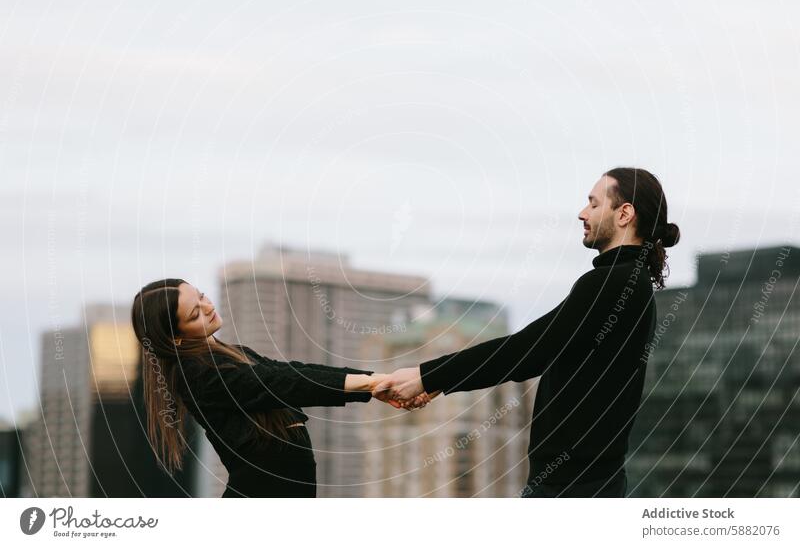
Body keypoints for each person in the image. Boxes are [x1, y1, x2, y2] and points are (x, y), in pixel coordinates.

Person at [374, 167, 681, 497]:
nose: (582, 213)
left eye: (593, 204)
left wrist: (426, 376)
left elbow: (526, 350)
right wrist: (437, 382)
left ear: (624, 214)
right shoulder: (629, 283)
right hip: (586, 485)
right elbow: (544, 348)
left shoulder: (613, 283)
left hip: (572, 490)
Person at [131, 278, 413, 498]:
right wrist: (375, 383)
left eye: (202, 296)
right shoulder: (197, 376)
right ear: (175, 338)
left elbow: (290, 371)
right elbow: (283, 384)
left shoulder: (235, 353)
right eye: (195, 314)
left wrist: (375, 380)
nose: (208, 307)